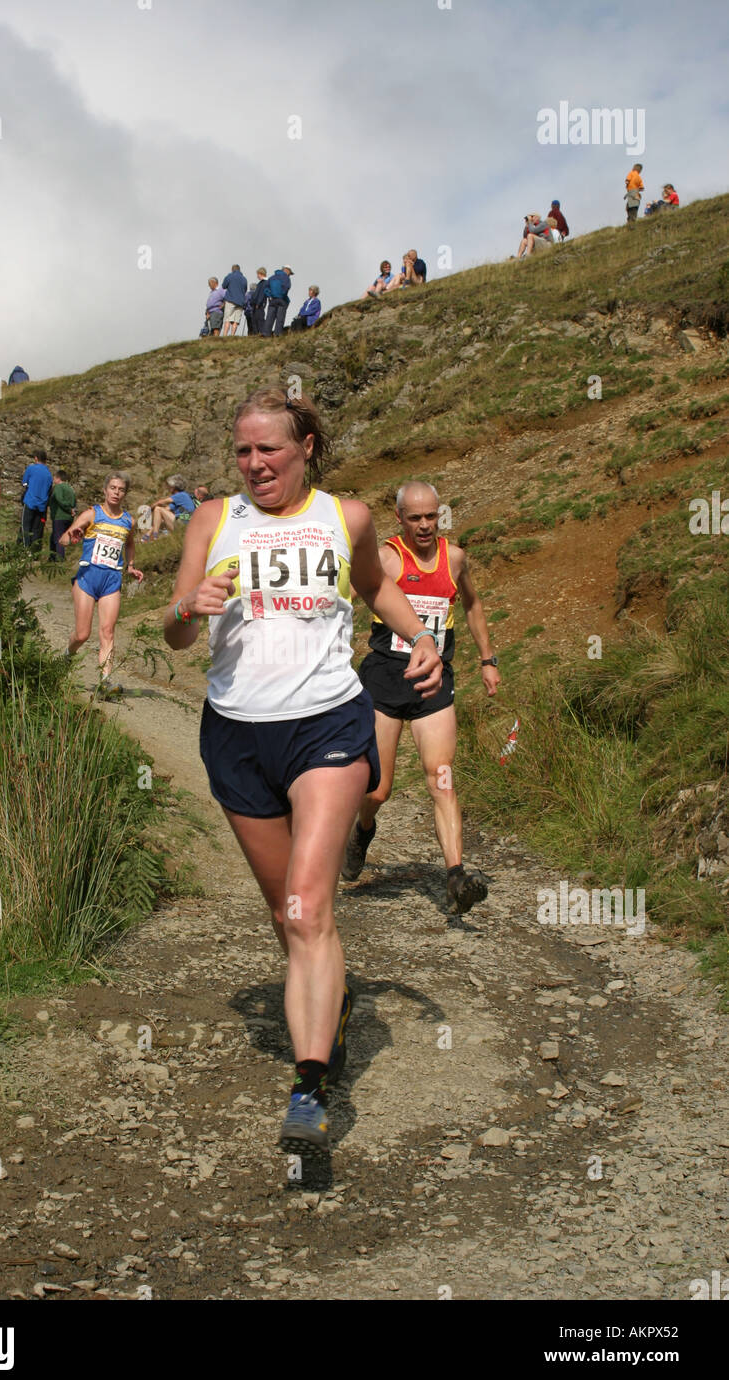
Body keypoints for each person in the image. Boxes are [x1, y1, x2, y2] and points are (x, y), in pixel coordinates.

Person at [163, 387, 443, 1155]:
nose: (254, 464)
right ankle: (334, 1001)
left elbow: (375, 584)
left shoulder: (345, 516)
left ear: (307, 446)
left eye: (269, 449)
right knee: (287, 916)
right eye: (243, 450)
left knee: (308, 908)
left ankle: (311, 1087)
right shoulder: (212, 519)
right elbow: (177, 631)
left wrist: (420, 636)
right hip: (237, 736)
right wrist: (191, 605)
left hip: (327, 723)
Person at [342, 481, 500, 915]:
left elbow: (472, 604)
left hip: (434, 679)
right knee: (378, 789)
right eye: (416, 518)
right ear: (400, 519)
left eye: (432, 516)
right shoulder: (388, 557)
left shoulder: (455, 559)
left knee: (441, 777)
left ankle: (455, 875)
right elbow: (343, 599)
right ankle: (362, 831)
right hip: (385, 679)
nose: (426, 525)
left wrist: (488, 659)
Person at [63, 472, 143, 696]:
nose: (116, 493)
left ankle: (104, 682)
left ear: (125, 493)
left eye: (121, 489)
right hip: (87, 578)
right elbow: (63, 539)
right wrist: (74, 537)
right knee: (82, 634)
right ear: (105, 490)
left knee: (107, 632)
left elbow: (129, 544)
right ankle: (66, 657)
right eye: (113, 488)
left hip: (111, 581)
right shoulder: (92, 514)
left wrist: (131, 565)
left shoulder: (129, 521)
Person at [20, 449, 53, 550]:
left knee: (25, 527)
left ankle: (26, 550)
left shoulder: (31, 469)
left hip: (30, 501)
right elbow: (49, 490)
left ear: (36, 458)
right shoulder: (49, 474)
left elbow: (24, 483)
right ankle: (34, 552)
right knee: (36, 529)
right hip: (41, 505)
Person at [146, 475, 197, 539]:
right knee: (160, 516)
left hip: (183, 522)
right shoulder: (178, 500)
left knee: (158, 509)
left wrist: (148, 510)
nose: (168, 488)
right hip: (183, 524)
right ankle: (150, 536)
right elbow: (162, 513)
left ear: (174, 487)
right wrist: (148, 532)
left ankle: (154, 536)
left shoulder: (181, 495)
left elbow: (160, 502)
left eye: (169, 486)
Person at [48, 469, 77, 561]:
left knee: (58, 538)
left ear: (58, 478)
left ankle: (60, 559)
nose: (53, 480)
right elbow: (74, 502)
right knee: (53, 537)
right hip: (69, 518)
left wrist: (68, 509)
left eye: (54, 478)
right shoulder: (70, 488)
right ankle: (51, 557)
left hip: (60, 516)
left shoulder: (58, 487)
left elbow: (59, 499)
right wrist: (72, 510)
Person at [262, 266, 292, 336]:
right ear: (286, 270)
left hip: (272, 300)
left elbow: (266, 288)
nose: (289, 275)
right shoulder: (286, 278)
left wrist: (270, 296)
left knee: (269, 317)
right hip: (281, 300)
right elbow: (286, 287)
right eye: (290, 273)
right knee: (280, 317)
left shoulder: (272, 277)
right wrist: (282, 296)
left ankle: (266, 333)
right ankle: (277, 334)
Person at [221, 264, 248, 337]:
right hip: (240, 302)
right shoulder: (244, 279)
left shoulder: (230, 276)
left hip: (230, 300)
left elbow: (223, 286)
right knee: (236, 321)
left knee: (227, 319)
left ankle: (225, 336)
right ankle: (232, 336)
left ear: (232, 269)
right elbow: (245, 290)